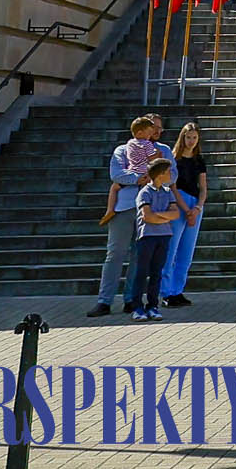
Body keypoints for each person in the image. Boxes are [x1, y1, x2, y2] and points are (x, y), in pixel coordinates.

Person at [90, 114, 170, 317]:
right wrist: (140, 178)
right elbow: (116, 174)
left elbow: (171, 175)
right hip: (125, 207)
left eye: (158, 129)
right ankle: (104, 300)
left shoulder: (162, 151)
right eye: (152, 128)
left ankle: (131, 299)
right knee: (115, 253)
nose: (156, 132)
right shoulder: (123, 149)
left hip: (150, 208)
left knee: (139, 256)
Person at [128, 157, 190, 320]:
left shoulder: (168, 192)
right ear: (160, 173)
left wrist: (160, 215)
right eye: (168, 171)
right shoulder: (145, 192)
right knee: (142, 272)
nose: (170, 174)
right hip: (147, 236)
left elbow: (175, 214)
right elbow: (147, 217)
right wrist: (164, 216)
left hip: (164, 236)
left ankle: (152, 305)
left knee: (157, 273)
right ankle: (137, 307)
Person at [159, 122, 210, 307]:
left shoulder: (199, 160)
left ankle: (178, 290)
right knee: (171, 249)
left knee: (186, 252)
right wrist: (185, 208)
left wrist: (197, 208)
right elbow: (172, 186)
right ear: (183, 138)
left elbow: (203, 187)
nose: (191, 141)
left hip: (195, 204)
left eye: (195, 138)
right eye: (188, 137)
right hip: (178, 203)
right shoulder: (174, 159)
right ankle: (166, 292)